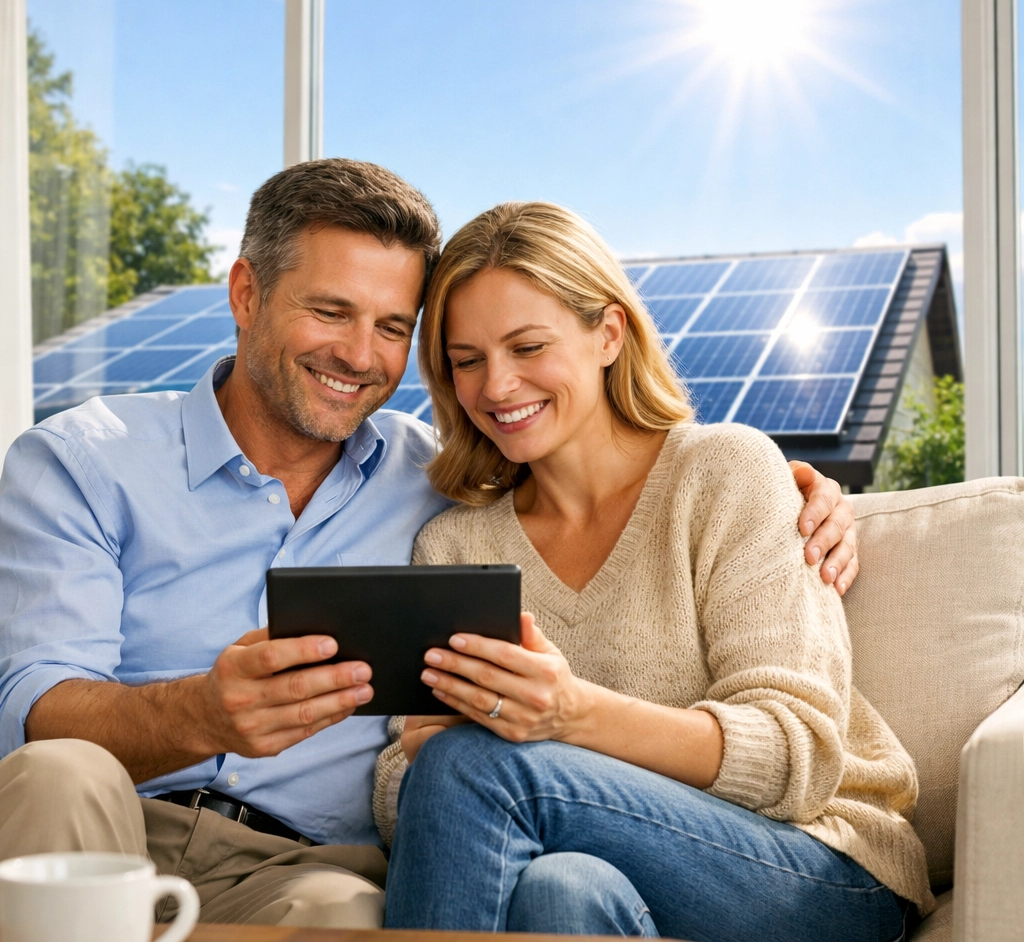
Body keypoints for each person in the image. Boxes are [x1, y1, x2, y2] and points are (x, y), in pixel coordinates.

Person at [0, 160, 855, 930]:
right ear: (246, 295)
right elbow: (31, 705)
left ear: (610, 334)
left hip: (304, 868)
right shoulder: (89, 459)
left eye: (390, 328)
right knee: (59, 771)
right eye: (330, 311)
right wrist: (203, 713)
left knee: (381, 873)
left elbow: (788, 729)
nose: (358, 355)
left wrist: (807, 492)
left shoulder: (427, 479)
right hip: (109, 817)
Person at [377, 201, 935, 941]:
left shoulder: (723, 473)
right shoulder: (454, 545)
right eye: (467, 360)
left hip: (816, 868)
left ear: (608, 334)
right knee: (559, 890)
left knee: (473, 764)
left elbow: (792, 758)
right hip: (600, 867)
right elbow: (399, 794)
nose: (497, 386)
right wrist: (420, 746)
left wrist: (570, 716)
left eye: (528, 346)